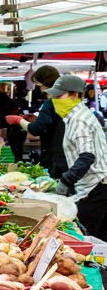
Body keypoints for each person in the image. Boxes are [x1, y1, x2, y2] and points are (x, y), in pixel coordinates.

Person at [48, 75, 107, 237]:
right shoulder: (77, 116)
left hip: (95, 187)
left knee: (86, 238)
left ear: (75, 95)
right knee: (100, 238)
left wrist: (66, 181)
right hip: (96, 185)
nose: (55, 100)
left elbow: (87, 156)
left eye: (59, 96)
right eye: (54, 96)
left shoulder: (79, 120)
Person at [8, 65, 67, 178]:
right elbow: (54, 122)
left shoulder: (51, 102)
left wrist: (18, 120)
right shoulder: (64, 101)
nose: (39, 89)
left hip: (55, 155)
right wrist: (37, 119)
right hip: (64, 153)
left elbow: (37, 129)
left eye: (39, 85)